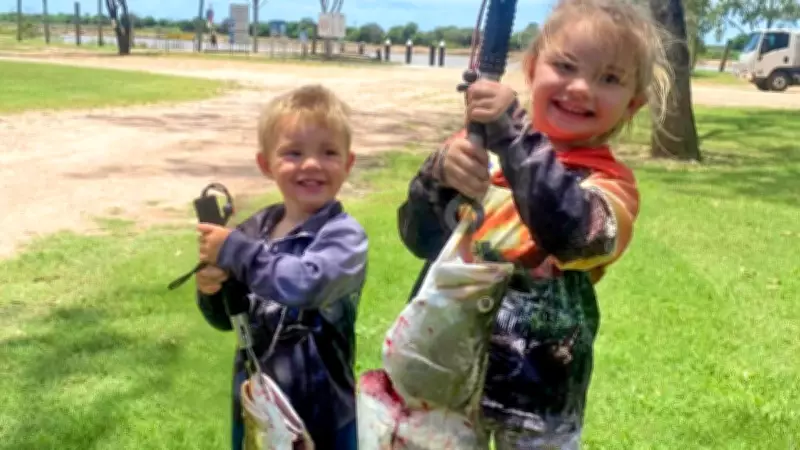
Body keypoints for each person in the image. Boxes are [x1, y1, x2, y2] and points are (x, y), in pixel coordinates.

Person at [397, 0, 673, 448]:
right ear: (531, 67)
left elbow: (575, 236)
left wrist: (513, 135)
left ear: (632, 105)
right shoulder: (475, 151)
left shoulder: (609, 185)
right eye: (565, 65)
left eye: (609, 78)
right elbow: (419, 238)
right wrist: (437, 178)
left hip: (537, 395)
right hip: (440, 373)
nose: (581, 87)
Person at [194, 84, 368, 450]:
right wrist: (211, 288)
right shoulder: (254, 231)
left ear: (348, 164)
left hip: (323, 415)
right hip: (257, 408)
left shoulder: (344, 237)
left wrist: (237, 253)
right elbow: (228, 320)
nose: (311, 164)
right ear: (266, 165)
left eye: (329, 152)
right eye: (293, 152)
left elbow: (307, 285)